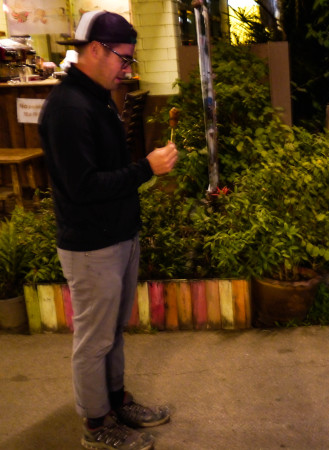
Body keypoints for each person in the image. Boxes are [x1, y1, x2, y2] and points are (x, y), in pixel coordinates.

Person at [39, 10, 178, 450]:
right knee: (93, 340)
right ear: (95, 50)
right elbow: (82, 187)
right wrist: (146, 169)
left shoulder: (97, 96)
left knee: (111, 332)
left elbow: (108, 169)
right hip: (92, 244)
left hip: (117, 235)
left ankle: (116, 402)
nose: (127, 68)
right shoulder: (67, 108)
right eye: (123, 58)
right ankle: (97, 425)